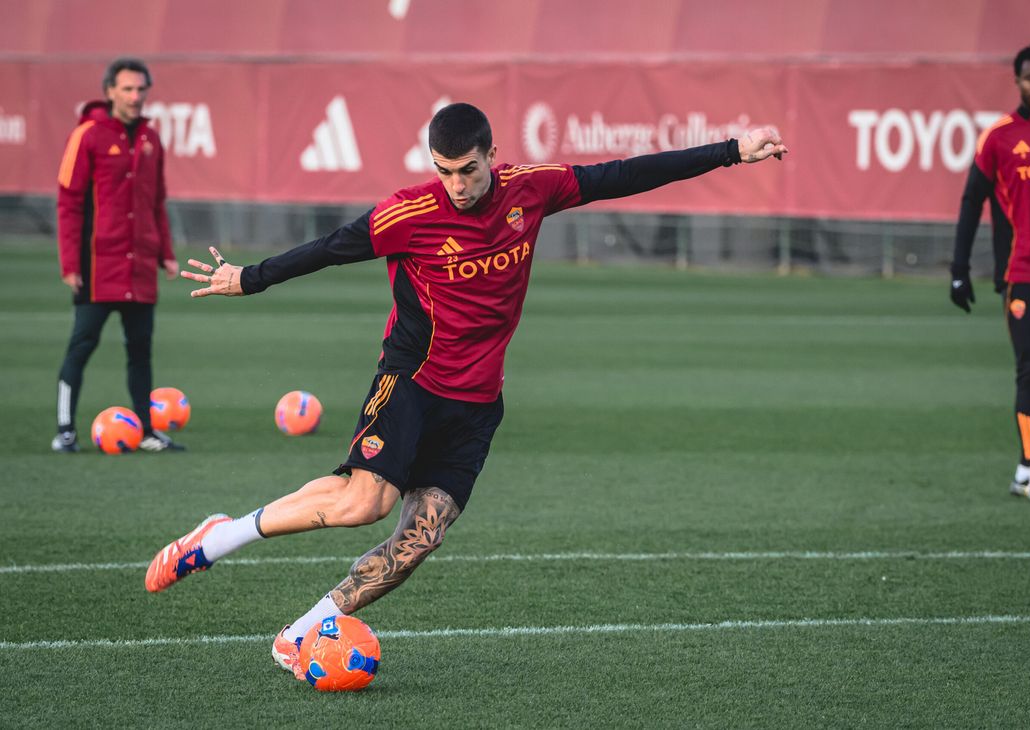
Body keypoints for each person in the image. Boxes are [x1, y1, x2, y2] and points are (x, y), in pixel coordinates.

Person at [144, 103, 787, 679]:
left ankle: (302, 630)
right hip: (414, 377)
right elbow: (330, 249)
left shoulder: (532, 192)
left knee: (416, 540)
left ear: (492, 156)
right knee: (363, 502)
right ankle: (219, 538)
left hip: (479, 401)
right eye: (445, 171)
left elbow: (623, 174)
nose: (458, 184)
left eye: (469, 170)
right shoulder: (410, 213)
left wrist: (733, 149)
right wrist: (248, 278)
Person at [950, 45, 1030, 503]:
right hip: (1022, 274)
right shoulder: (999, 138)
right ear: (1018, 80)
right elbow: (971, 202)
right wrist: (958, 269)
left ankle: (1029, 470)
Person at [52, 58, 184, 453]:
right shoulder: (88, 135)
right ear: (110, 91)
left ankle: (145, 431)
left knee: (140, 351)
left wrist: (166, 253)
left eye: (141, 89)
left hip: (140, 266)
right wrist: (70, 264)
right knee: (82, 344)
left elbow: (157, 201)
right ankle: (65, 430)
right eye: (127, 89)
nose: (135, 96)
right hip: (98, 265)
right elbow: (68, 202)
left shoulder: (151, 139)